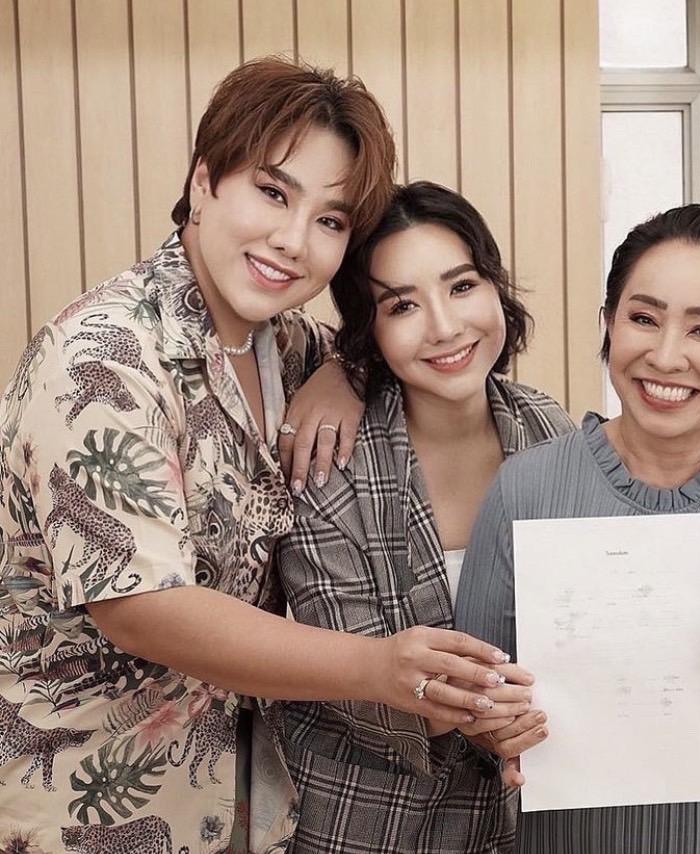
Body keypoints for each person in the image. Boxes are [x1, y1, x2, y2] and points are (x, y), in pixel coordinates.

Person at [0, 61, 510, 853]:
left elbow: (391, 344)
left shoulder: (291, 346)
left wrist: (349, 367)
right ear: (203, 182)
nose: (292, 241)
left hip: (248, 798)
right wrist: (379, 668)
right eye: (273, 193)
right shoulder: (103, 354)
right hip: (86, 800)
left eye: (330, 220)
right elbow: (142, 607)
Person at [456, 204, 700, 853]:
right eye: (643, 319)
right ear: (608, 326)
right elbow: (472, 695)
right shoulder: (523, 489)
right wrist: (494, 725)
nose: (666, 355)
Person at [274, 181, 575, 854]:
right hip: (370, 822)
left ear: (496, 287)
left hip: (526, 816)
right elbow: (346, 679)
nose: (443, 327)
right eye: (402, 305)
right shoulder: (332, 460)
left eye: (462, 286)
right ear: (370, 330)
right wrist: (483, 711)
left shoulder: (548, 430)